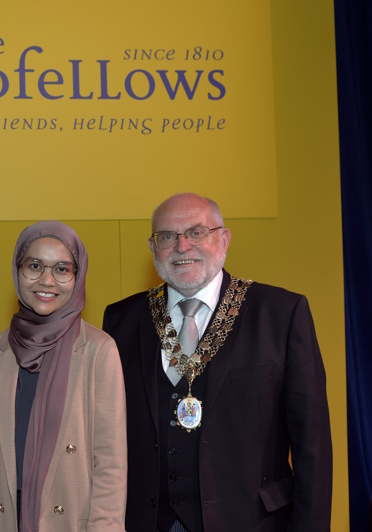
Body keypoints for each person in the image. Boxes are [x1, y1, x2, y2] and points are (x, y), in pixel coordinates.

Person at [102, 193, 332, 532]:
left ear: (223, 238)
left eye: (196, 232)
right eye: (167, 236)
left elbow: (312, 446)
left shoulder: (281, 314)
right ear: (152, 248)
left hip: (253, 522)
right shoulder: (122, 319)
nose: (182, 246)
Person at [0, 220, 127, 532]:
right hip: (2, 520)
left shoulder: (99, 350)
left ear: (77, 277)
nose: (47, 280)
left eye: (62, 269)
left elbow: (110, 462)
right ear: (17, 269)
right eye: (35, 265)